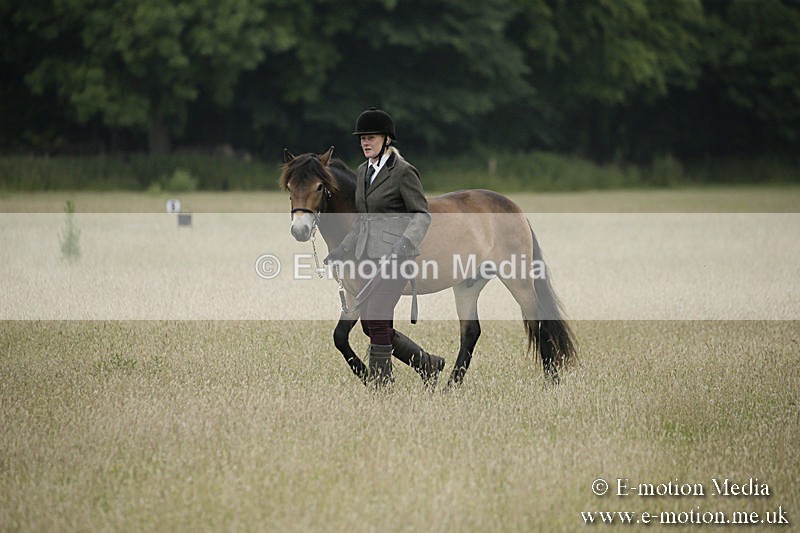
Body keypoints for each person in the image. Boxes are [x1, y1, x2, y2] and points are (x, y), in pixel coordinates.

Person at [325, 108, 444, 388]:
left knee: (377, 319)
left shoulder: (402, 172)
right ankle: (427, 364)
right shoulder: (362, 171)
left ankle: (382, 386)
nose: (366, 142)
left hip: (397, 259)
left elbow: (421, 214)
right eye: (362, 138)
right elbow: (362, 223)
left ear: (387, 139)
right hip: (368, 258)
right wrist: (342, 249)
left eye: (372, 137)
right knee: (369, 324)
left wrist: (405, 244)